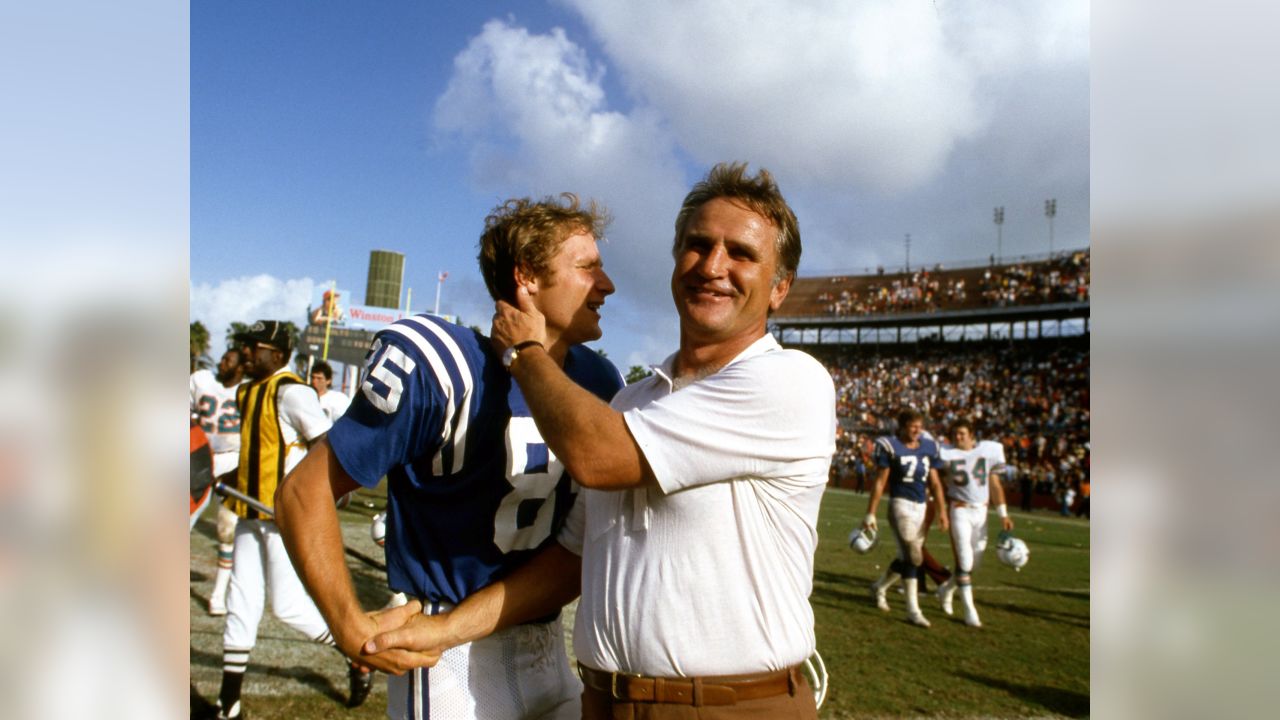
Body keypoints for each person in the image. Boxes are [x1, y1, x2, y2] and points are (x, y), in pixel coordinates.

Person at [368, 163, 837, 719]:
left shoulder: (789, 380)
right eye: (697, 244)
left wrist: (525, 351)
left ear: (779, 287)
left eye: (741, 253)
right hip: (607, 701)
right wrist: (442, 631)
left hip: (729, 705)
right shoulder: (631, 401)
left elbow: (599, 456)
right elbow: (570, 559)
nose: (713, 266)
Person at [274, 194, 623, 720]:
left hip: (548, 648)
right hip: (448, 663)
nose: (607, 284)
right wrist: (348, 624)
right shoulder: (443, 364)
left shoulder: (597, 380)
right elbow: (305, 491)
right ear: (527, 276)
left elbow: (576, 551)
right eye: (587, 267)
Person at [210, 320, 371, 720]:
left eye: (255, 346)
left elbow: (326, 448)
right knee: (240, 602)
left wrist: (334, 494)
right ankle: (228, 701)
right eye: (244, 345)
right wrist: (224, 476)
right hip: (250, 510)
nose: (246, 352)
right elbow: (253, 451)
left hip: (285, 517)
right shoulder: (247, 391)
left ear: (278, 355)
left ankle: (356, 654)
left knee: (286, 607)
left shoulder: (292, 391)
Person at [863, 408, 949, 628]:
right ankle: (913, 610)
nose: (917, 430)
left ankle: (880, 587)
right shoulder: (892, 446)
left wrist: (942, 511)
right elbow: (881, 482)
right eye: (912, 426)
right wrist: (871, 512)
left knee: (907, 556)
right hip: (900, 505)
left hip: (921, 506)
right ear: (902, 427)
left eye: (920, 426)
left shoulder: (929, 447)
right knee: (914, 555)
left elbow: (936, 483)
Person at [934, 418, 1014, 627]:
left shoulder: (989, 450)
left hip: (982, 512)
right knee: (966, 561)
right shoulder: (946, 452)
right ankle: (970, 611)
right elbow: (936, 477)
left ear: (971, 434)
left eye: (962, 433)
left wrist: (1003, 514)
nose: (958, 438)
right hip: (959, 509)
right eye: (955, 434)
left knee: (973, 564)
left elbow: (995, 485)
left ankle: (945, 589)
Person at [190, 348, 246, 614]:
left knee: (227, 528)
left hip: (233, 460)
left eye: (228, 361)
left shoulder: (248, 391)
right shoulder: (202, 380)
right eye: (223, 359)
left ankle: (218, 595)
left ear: (240, 368)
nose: (222, 363)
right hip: (200, 457)